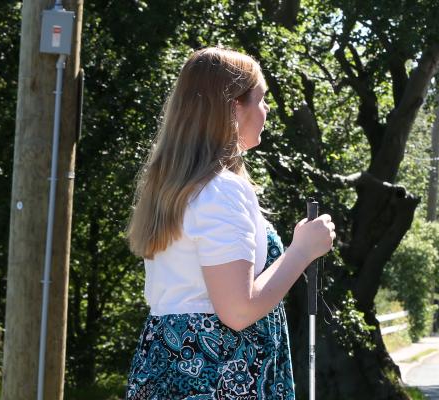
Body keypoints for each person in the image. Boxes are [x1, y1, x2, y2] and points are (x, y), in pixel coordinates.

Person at [123, 47, 335, 400]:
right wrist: (302, 250)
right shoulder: (220, 191)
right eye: (261, 99)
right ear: (234, 107)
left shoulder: (175, 188)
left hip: (166, 365)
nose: (266, 111)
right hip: (217, 372)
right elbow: (238, 310)